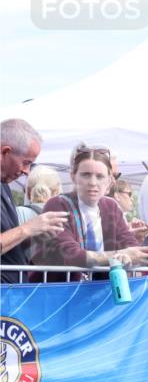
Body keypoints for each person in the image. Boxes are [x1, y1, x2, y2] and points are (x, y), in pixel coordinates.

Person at [33, 145, 148, 271]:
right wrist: (118, 256)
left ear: (110, 180)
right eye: (86, 175)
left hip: (100, 288)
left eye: (100, 176)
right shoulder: (57, 205)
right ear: (73, 176)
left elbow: (128, 243)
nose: (93, 182)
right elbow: (70, 255)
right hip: (60, 288)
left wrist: (141, 252)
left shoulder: (111, 207)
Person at [1, 119, 69, 283]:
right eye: (26, 163)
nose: (26, 171)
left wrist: (38, 237)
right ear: (5, 152)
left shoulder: (4, 185)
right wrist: (28, 228)